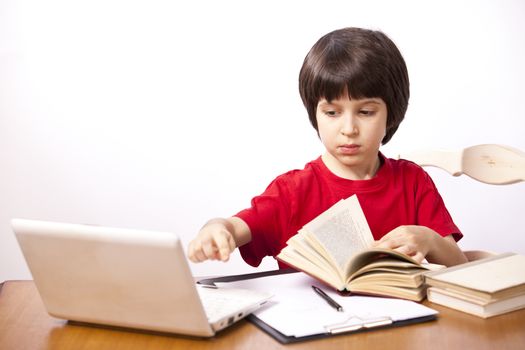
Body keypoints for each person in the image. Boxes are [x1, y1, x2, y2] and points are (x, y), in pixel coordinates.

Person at [188, 27, 468, 268]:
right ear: (315, 114)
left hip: (400, 325)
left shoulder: (413, 182)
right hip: (311, 326)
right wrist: (216, 228)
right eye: (332, 113)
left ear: (391, 114)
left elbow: (459, 266)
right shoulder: (293, 191)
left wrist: (429, 240)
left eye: (366, 112)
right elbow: (236, 227)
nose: (349, 129)